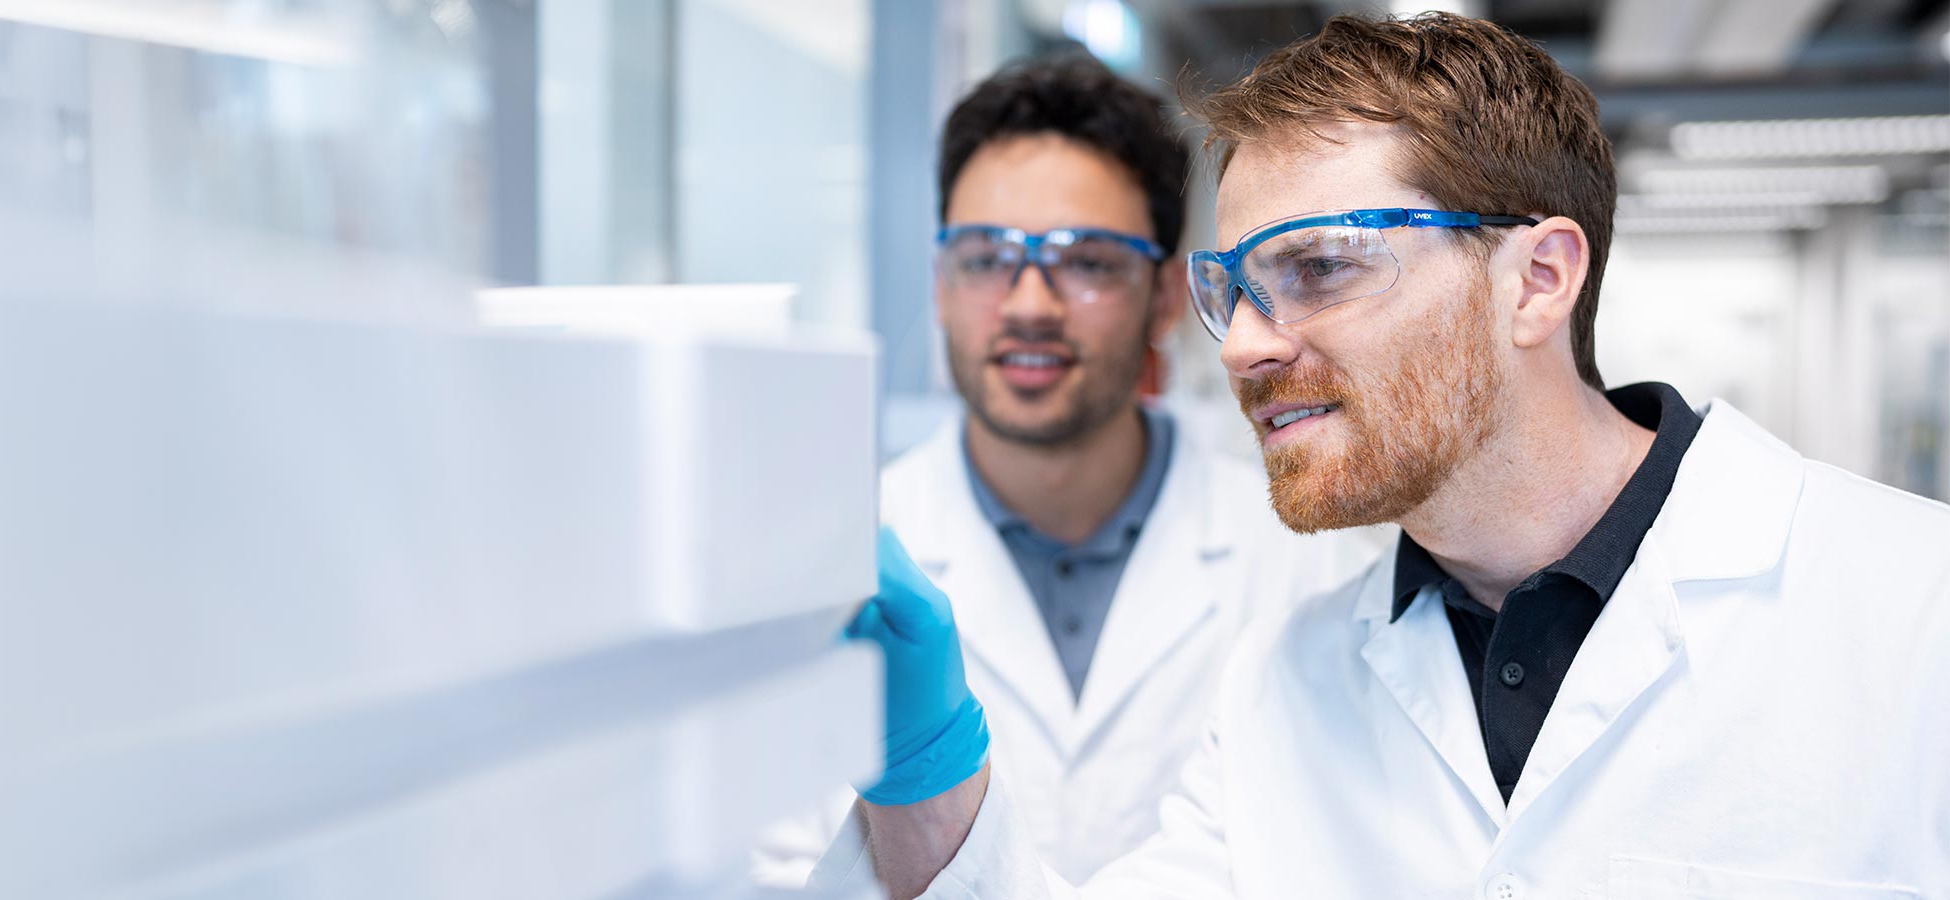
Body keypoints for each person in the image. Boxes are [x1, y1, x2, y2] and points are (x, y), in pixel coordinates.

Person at [817, 13, 1950, 900]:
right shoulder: (1285, 681)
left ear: (1537, 280)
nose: (1247, 344)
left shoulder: (1910, 612)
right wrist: (926, 765)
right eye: (1234, 289)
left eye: (1317, 267)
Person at [752, 53, 1374, 887]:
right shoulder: (833, 572)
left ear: (1163, 295)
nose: (1029, 305)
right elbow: (773, 871)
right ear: (940, 285)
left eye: (1086, 261)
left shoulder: (1313, 560)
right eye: (985, 257)